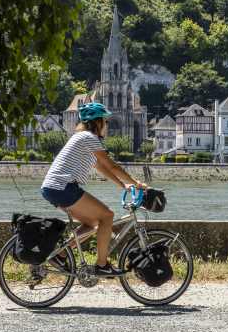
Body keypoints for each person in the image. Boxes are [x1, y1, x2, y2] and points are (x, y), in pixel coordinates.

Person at [39, 102, 147, 277]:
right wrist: (135, 183)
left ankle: (59, 256)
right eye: (105, 121)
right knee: (107, 216)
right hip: (63, 187)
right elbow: (112, 165)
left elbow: (101, 167)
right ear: (97, 122)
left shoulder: (81, 138)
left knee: (93, 224)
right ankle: (102, 265)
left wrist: (124, 185)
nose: (107, 124)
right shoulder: (89, 138)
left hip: (53, 188)